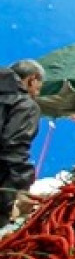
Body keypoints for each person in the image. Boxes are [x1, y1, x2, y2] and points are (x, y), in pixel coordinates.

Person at [0, 60, 42, 226]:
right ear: (32, 79)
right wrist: (21, 188)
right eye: (39, 87)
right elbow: (14, 147)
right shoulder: (25, 104)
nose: (37, 93)